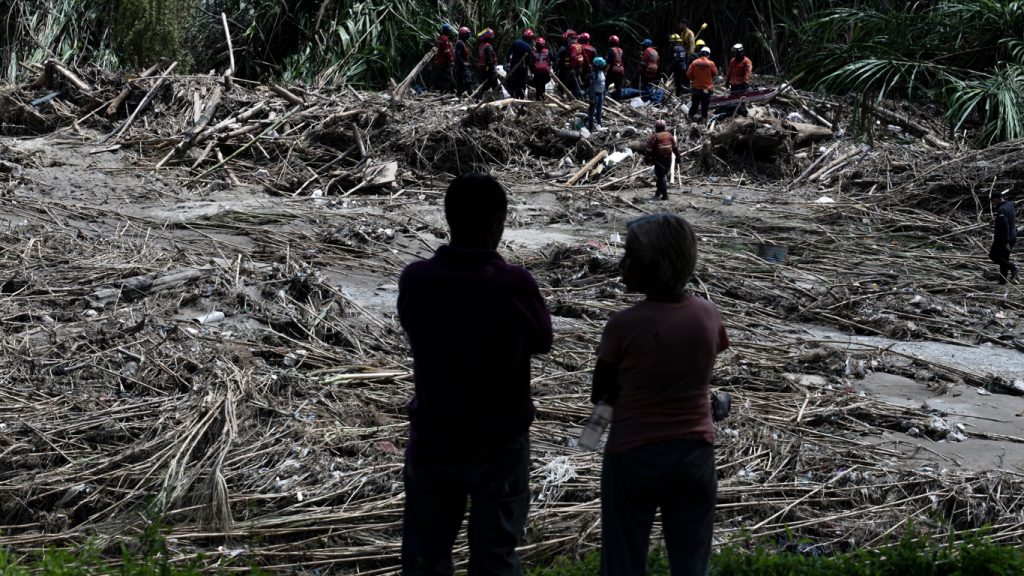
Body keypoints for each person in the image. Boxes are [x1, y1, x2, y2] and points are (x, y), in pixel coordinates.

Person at [399, 173, 553, 576]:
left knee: (426, 556)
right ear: (498, 223)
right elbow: (543, 339)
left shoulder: (417, 280)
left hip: (436, 436)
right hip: (499, 441)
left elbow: (412, 324)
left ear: (449, 219)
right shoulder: (513, 285)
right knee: (495, 557)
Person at [591, 212, 728, 576]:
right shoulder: (707, 315)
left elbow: (601, 392)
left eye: (630, 257)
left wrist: (593, 429)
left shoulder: (622, 326)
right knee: (690, 563)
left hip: (634, 454)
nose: (622, 264)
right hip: (695, 453)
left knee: (623, 560)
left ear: (656, 266)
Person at [644, 120, 683, 201]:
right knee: (661, 176)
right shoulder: (669, 135)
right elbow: (675, 148)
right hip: (668, 159)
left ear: (656, 127)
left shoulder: (654, 137)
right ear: (664, 127)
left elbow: (649, 150)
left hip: (658, 160)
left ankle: (665, 195)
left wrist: (647, 159)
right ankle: (658, 193)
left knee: (661, 176)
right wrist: (678, 157)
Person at [989, 189, 1019, 284]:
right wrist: (997, 219)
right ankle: (1002, 281)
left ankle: (1013, 267)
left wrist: (1006, 242)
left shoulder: (1002, 209)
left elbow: (1005, 226)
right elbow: (1008, 218)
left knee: (993, 256)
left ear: (997, 199)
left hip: (1004, 238)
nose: (992, 202)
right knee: (1004, 258)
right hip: (1013, 236)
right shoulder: (1009, 205)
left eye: (993, 200)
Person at [687, 46, 717, 121]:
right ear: (708, 54)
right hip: (707, 89)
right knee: (705, 106)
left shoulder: (694, 62)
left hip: (696, 88)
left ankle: (689, 118)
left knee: (695, 104)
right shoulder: (711, 63)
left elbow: (688, 74)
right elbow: (715, 73)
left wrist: (694, 79)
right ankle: (704, 121)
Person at [506, 29, 535, 99]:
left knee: (514, 82)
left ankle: (515, 97)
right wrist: (531, 70)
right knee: (522, 83)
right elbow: (529, 61)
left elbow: (508, 53)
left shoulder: (516, 42)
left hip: (514, 66)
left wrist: (508, 61)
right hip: (522, 67)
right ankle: (521, 98)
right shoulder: (528, 47)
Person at [556, 30, 585, 99]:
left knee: (570, 82)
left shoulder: (570, 47)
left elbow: (573, 57)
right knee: (575, 82)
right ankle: (576, 96)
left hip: (569, 68)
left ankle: (575, 97)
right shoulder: (578, 45)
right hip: (576, 67)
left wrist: (571, 67)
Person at [476, 28, 499, 99]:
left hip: (483, 69)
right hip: (489, 69)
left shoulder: (481, 46)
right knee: (494, 84)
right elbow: (489, 60)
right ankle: (496, 99)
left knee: (485, 85)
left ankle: (480, 98)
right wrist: (492, 69)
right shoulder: (488, 46)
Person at [434, 24, 455, 92]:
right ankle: (445, 91)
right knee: (447, 77)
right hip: (445, 61)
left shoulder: (439, 38)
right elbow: (447, 51)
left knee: (441, 76)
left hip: (439, 60)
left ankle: (441, 90)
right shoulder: (445, 39)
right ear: (447, 30)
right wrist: (451, 60)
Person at [454, 26, 474, 98]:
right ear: (464, 35)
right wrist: (464, 63)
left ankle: (460, 96)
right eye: (467, 34)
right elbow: (458, 54)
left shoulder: (462, 42)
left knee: (460, 82)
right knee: (468, 80)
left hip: (459, 66)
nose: (468, 36)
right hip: (461, 67)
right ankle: (471, 95)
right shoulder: (460, 43)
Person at [588, 57, 607, 131]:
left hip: (600, 94)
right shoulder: (594, 74)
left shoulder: (601, 72)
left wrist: (604, 94)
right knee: (592, 112)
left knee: (599, 111)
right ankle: (590, 128)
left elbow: (603, 83)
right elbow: (591, 86)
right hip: (595, 94)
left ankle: (599, 125)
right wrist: (592, 97)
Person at [531, 37, 552, 101]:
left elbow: (530, 62)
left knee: (538, 86)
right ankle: (542, 96)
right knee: (542, 85)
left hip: (537, 72)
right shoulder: (547, 51)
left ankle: (539, 98)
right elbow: (553, 58)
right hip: (545, 71)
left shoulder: (533, 52)